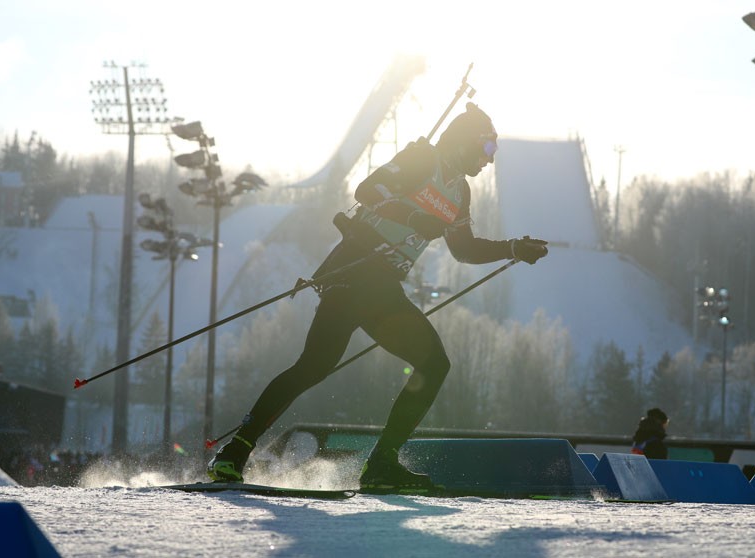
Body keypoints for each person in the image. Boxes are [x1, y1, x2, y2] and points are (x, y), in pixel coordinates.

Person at [207, 102, 549, 490]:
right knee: (419, 364)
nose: (490, 160)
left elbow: (464, 249)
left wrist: (512, 249)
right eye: (487, 148)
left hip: (377, 283)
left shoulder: (460, 191)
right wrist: (413, 218)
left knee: (318, 367)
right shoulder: (422, 158)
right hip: (357, 269)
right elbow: (367, 191)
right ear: (462, 142)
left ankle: (240, 452)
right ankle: (375, 463)